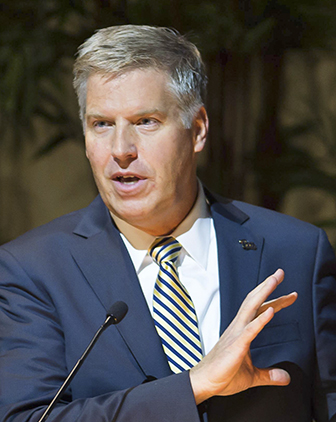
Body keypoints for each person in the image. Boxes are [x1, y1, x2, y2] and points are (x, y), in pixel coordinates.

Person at [0, 24, 335, 422]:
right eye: (101, 124)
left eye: (145, 121)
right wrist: (194, 385)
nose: (121, 150)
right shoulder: (32, 270)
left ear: (197, 130)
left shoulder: (296, 250)